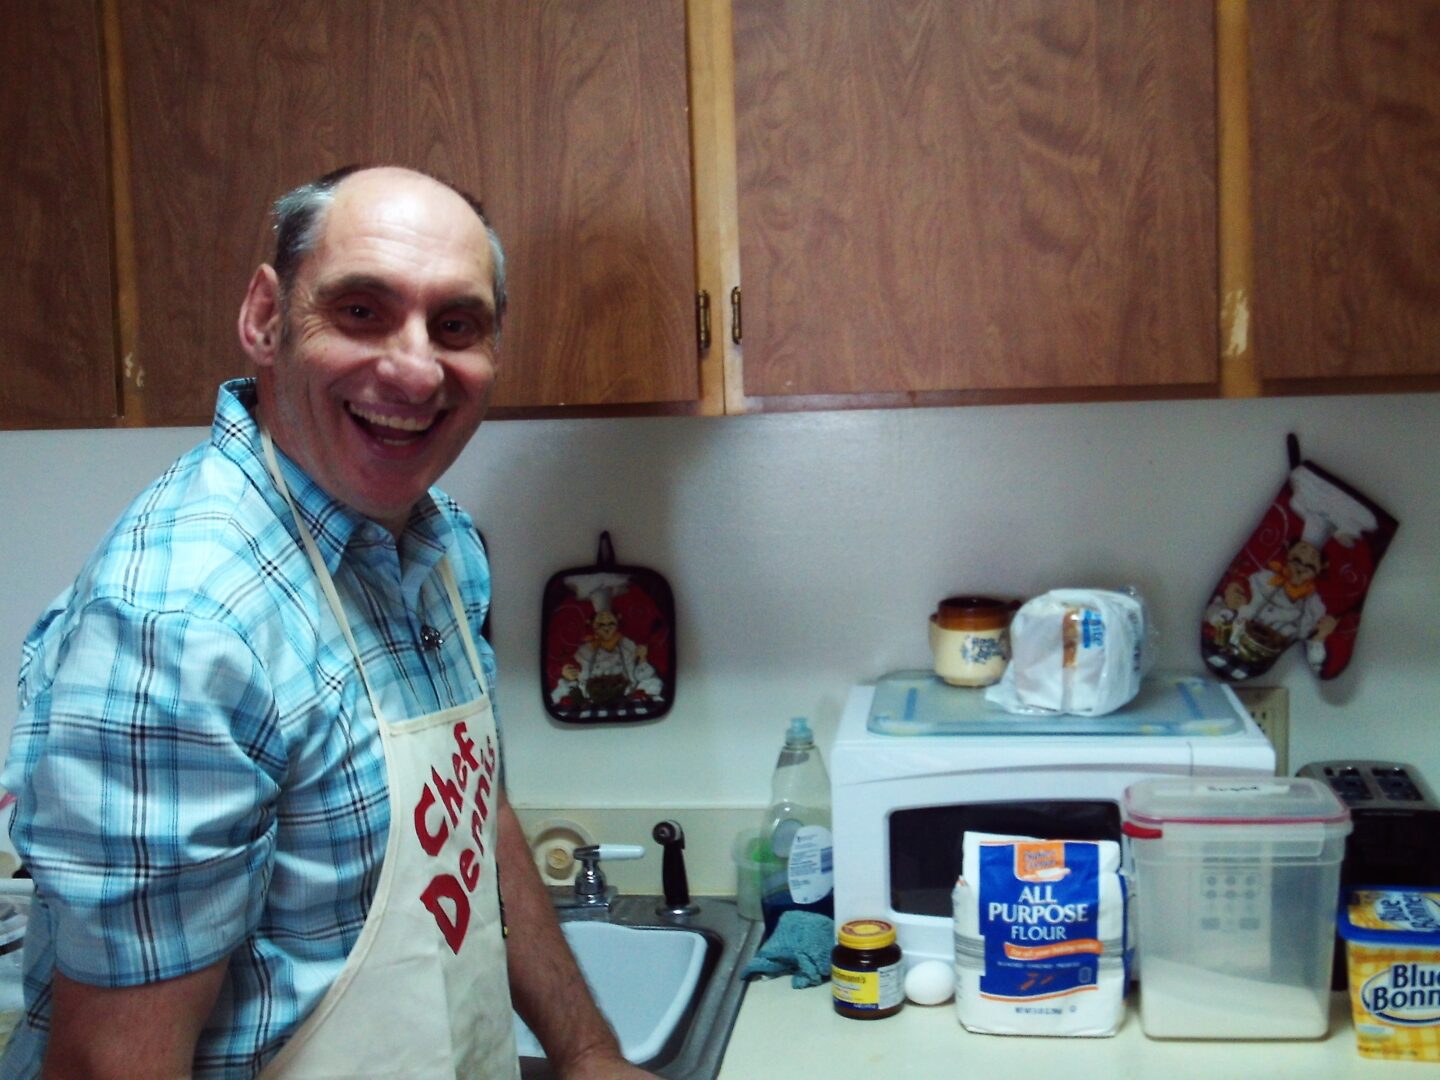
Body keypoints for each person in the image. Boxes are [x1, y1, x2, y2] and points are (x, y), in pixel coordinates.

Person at [1, 165, 652, 1078]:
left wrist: (586, 1055)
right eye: (361, 311)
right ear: (266, 320)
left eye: (456, 325)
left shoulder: (443, 547)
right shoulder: (180, 625)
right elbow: (112, 1066)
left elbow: (476, 820)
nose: (416, 367)